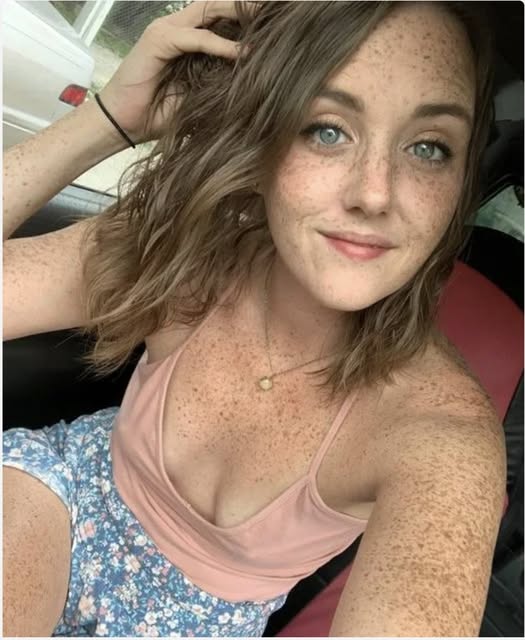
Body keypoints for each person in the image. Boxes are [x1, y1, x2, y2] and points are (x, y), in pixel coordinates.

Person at [3, 0, 507, 636]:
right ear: (264, 138)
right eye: (327, 130)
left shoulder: (441, 439)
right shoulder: (187, 255)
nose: (374, 193)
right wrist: (108, 119)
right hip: (52, 499)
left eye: (429, 147)